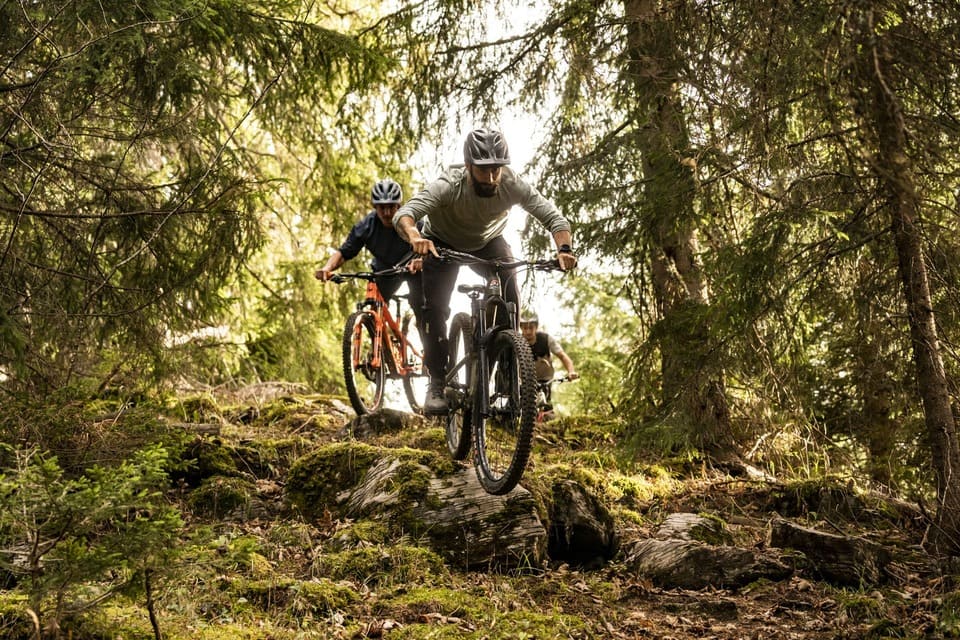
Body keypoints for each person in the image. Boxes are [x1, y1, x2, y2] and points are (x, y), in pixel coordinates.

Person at [395, 128, 577, 415]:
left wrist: (564, 249)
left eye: (496, 169)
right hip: (442, 243)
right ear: (468, 166)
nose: (492, 177)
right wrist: (416, 238)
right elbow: (405, 214)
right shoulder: (448, 185)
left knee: (510, 290)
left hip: (488, 243)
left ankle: (506, 368)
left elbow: (553, 216)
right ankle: (437, 383)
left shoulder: (511, 183)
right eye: (484, 170)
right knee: (434, 310)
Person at [316, 179, 424, 329]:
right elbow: (344, 252)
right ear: (375, 207)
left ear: (399, 206)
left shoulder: (412, 221)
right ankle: (377, 347)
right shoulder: (366, 226)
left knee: (423, 306)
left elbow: (431, 244)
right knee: (375, 306)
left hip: (414, 267)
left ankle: (429, 346)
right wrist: (327, 269)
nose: (387, 213)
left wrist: (422, 260)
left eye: (391, 207)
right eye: (382, 208)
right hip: (385, 270)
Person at [519, 311, 579, 384]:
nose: (528, 331)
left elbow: (563, 356)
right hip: (524, 383)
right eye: (525, 328)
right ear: (521, 328)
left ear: (536, 327)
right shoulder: (516, 341)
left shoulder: (545, 339)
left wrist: (571, 371)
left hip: (545, 381)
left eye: (531, 328)